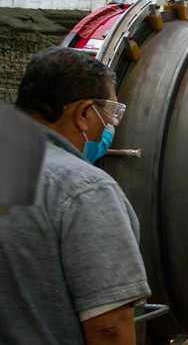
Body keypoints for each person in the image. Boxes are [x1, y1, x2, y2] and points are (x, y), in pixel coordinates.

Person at [1, 47, 150, 344]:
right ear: (83, 114)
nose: (112, 125)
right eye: (112, 111)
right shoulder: (85, 191)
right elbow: (109, 327)